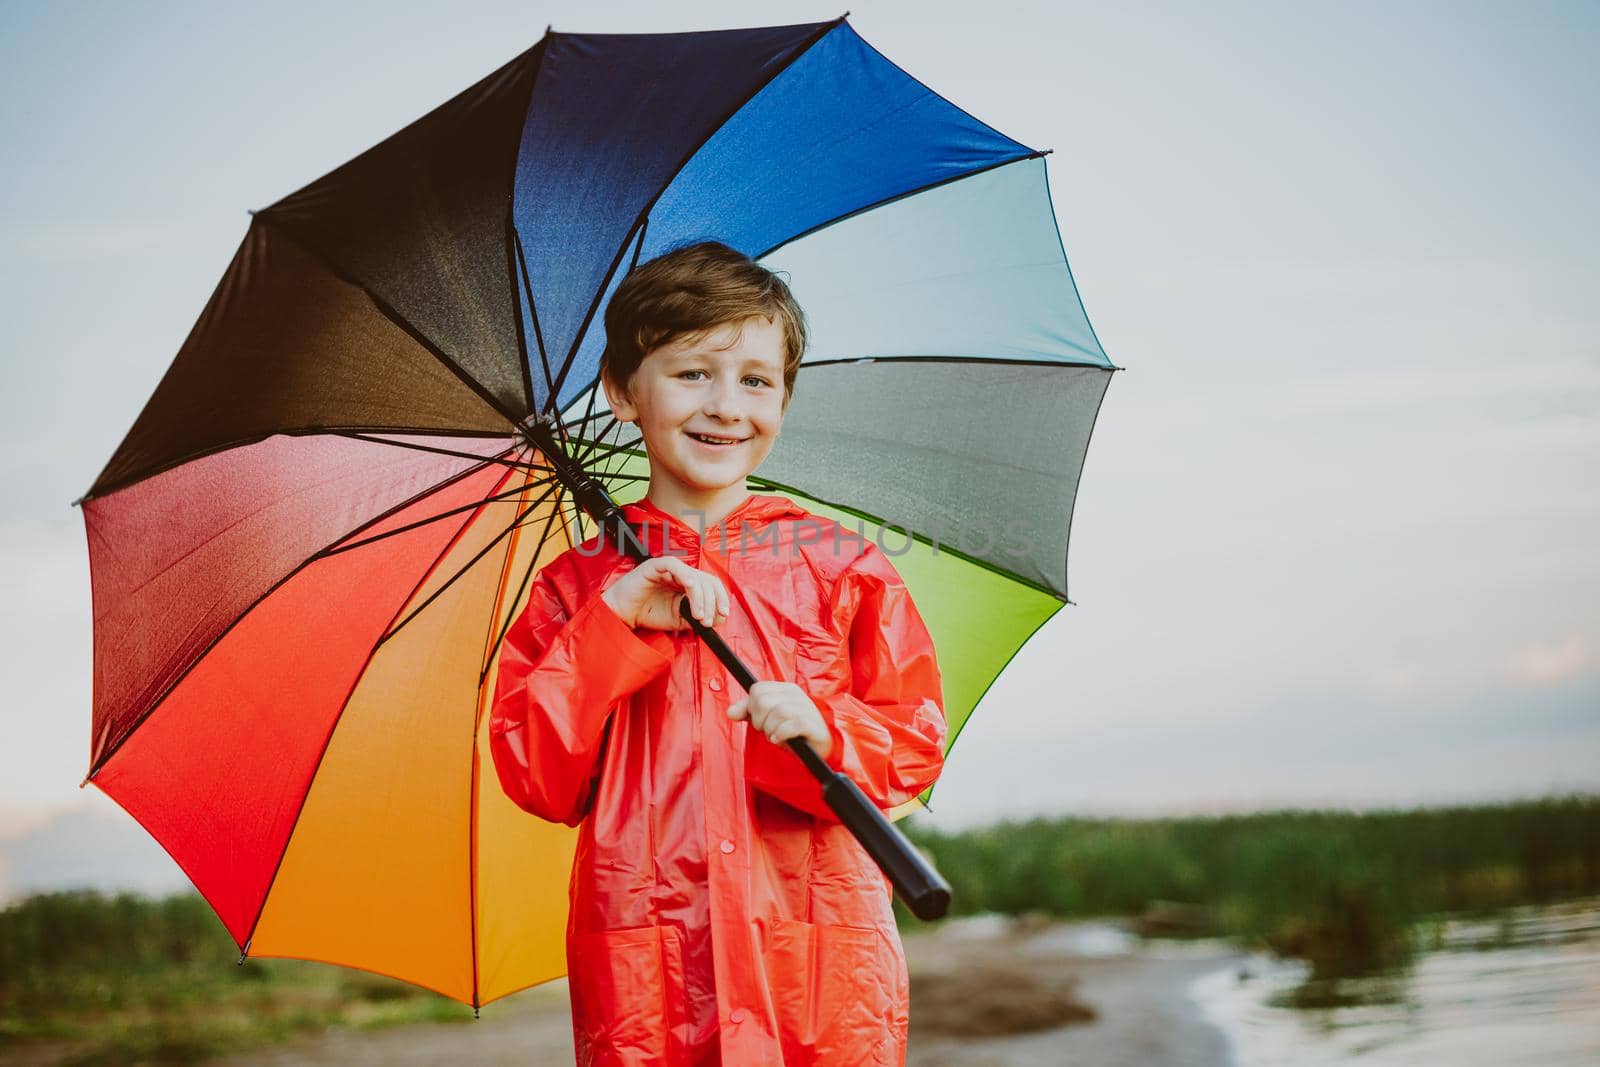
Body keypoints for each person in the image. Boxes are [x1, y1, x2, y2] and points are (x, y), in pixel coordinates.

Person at [488, 241, 946, 1066]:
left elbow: (912, 742)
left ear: (785, 399)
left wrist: (824, 729)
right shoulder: (578, 585)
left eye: (757, 380)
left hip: (815, 959)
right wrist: (612, 624)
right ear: (624, 392)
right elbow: (538, 773)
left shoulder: (842, 564)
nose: (727, 404)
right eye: (693, 373)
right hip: (652, 964)